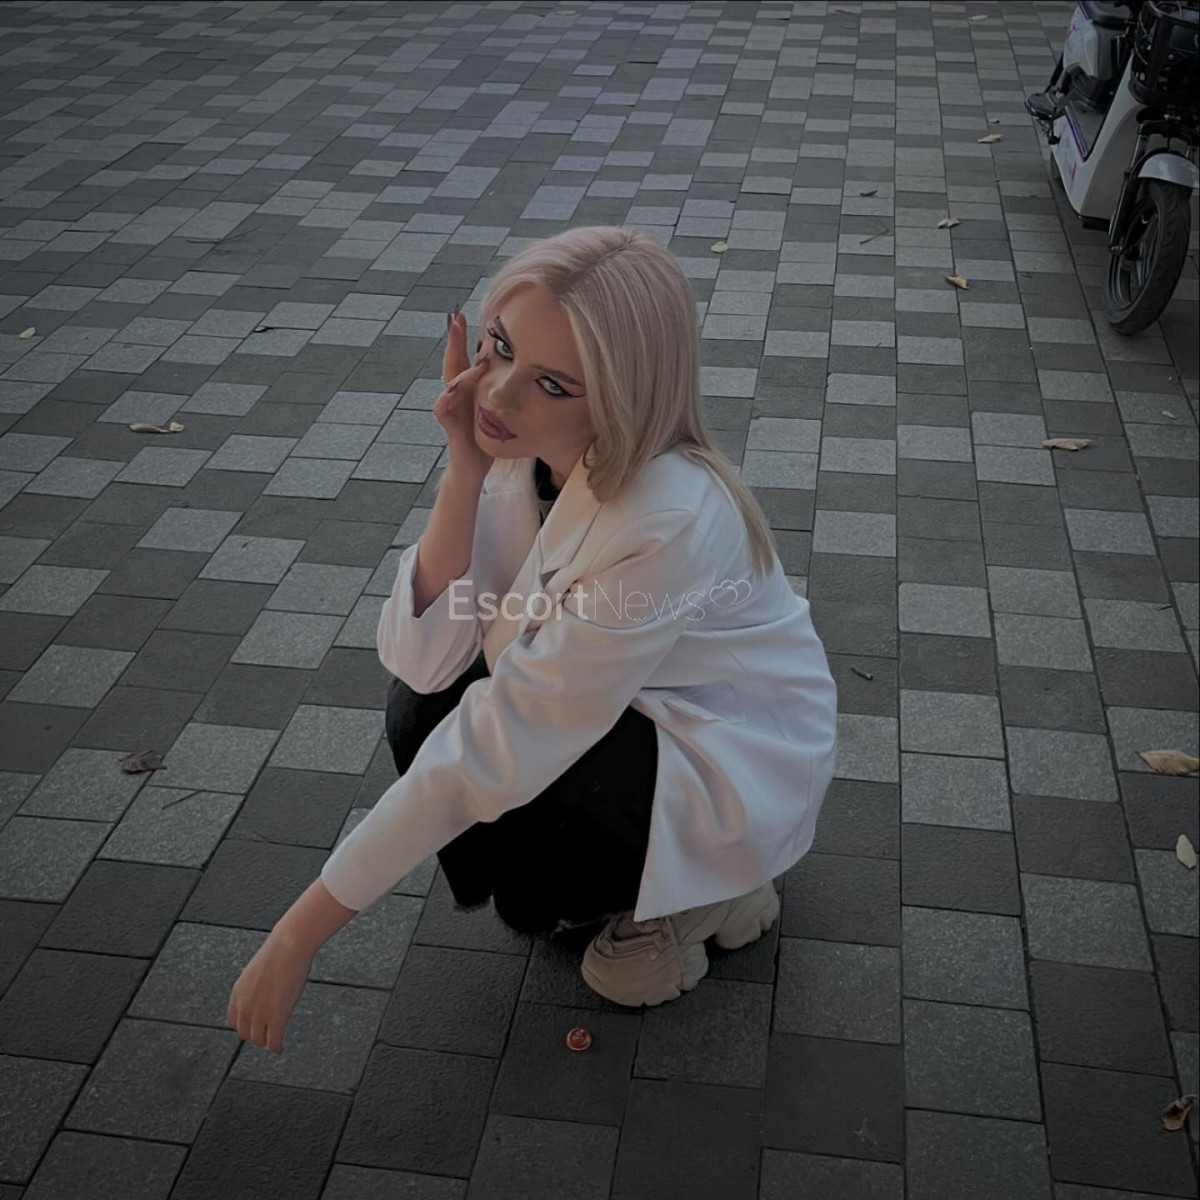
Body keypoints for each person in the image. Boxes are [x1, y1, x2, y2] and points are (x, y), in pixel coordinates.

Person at [228, 226, 837, 1053]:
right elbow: (423, 660)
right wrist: (465, 468)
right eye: (501, 346)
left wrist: (299, 934)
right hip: (625, 712)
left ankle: (711, 894)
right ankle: (614, 885)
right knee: (424, 711)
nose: (500, 396)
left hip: (726, 752)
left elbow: (508, 734)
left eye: (551, 383)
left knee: (513, 760)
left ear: (618, 397)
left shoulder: (665, 519)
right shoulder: (526, 450)